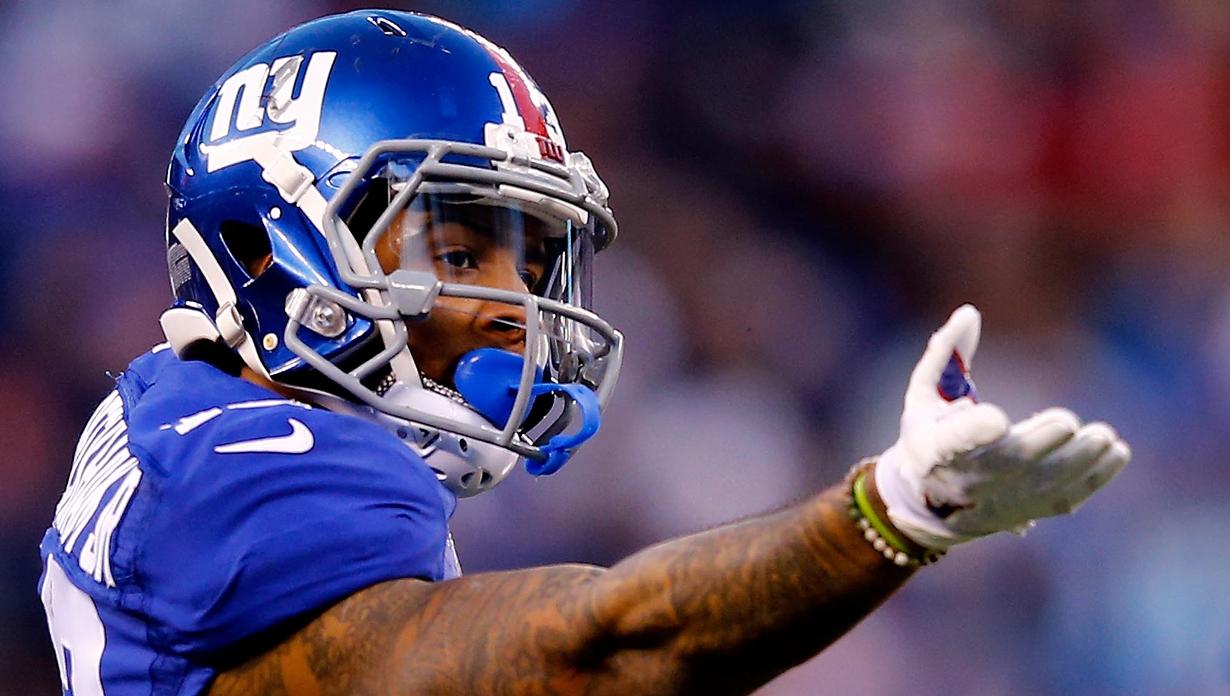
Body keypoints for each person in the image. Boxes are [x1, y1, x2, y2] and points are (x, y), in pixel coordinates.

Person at [37, 10, 1129, 696]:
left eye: (531, 263)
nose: (514, 311)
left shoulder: (169, 420)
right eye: (460, 251)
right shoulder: (247, 463)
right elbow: (592, 657)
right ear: (266, 251)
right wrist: (882, 517)